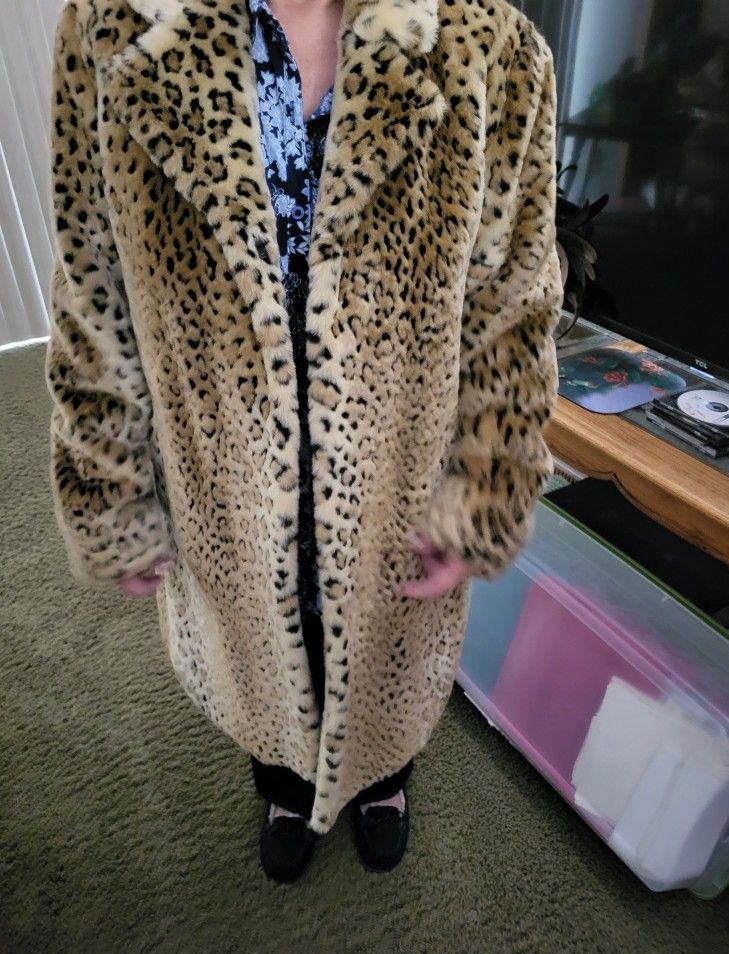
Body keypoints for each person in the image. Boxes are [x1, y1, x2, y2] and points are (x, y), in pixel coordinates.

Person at [45, 0, 563, 883]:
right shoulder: (113, 26)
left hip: (396, 477)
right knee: (263, 659)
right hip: (222, 481)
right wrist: (106, 483)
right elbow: (91, 283)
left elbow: (513, 301)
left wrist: (486, 486)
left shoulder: (487, 40)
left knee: (387, 660)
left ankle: (383, 783)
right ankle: (284, 783)